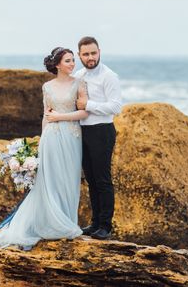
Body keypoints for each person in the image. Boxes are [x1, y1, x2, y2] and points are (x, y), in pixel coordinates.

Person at [0, 47, 89, 249]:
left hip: (72, 137)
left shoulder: (79, 84)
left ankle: (67, 223)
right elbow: (46, 115)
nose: (73, 64)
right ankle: (50, 224)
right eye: (68, 61)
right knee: (49, 181)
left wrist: (60, 117)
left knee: (69, 180)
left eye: (73, 60)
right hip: (51, 138)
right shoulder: (47, 87)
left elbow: (84, 113)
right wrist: (41, 139)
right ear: (57, 65)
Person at [73, 36, 122, 240]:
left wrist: (89, 105)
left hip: (102, 130)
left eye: (93, 53)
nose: (90, 57)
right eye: (86, 54)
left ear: (99, 51)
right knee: (91, 180)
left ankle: (105, 226)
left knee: (102, 180)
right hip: (83, 132)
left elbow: (116, 107)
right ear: (79, 55)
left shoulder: (109, 76)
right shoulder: (78, 76)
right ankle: (94, 223)